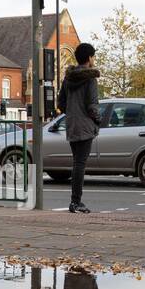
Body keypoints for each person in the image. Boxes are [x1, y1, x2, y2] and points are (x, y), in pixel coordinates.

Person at [57, 42, 100, 214]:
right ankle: (76, 202)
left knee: (77, 163)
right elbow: (92, 105)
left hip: (72, 125)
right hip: (85, 126)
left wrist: (72, 113)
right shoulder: (90, 79)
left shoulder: (68, 78)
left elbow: (61, 103)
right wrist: (98, 121)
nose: (94, 59)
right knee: (80, 164)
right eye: (93, 56)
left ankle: (75, 201)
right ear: (89, 58)